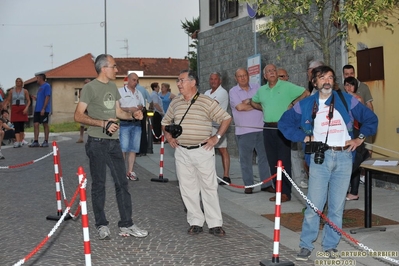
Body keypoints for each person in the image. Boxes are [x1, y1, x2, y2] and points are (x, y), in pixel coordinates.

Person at [278, 65, 378, 261]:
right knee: (314, 205)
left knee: (337, 206)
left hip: (343, 157)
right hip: (319, 159)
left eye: (330, 77)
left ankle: (331, 246)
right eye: (322, 77)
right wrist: (304, 137)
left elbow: (370, 119)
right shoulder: (306, 104)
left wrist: (359, 139)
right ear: (314, 82)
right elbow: (284, 123)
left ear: (334, 81)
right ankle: (306, 245)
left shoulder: (346, 99)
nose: (327, 81)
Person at [74, 54, 148, 240]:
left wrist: (133, 116)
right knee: (99, 185)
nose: (117, 70)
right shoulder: (89, 88)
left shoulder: (113, 87)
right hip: (96, 143)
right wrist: (102, 124)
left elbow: (118, 112)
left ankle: (127, 223)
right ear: (104, 68)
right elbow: (78, 116)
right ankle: (101, 225)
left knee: (122, 183)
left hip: (114, 143)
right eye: (114, 66)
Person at [161, 69, 231, 236]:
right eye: (178, 81)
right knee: (187, 188)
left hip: (203, 150)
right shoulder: (175, 102)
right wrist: (169, 137)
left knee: (209, 187)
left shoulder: (206, 101)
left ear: (193, 82)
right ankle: (195, 222)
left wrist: (217, 137)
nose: (178, 84)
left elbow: (226, 118)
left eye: (182, 80)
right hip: (182, 151)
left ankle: (215, 224)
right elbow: (165, 122)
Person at [251, 64, 309, 202]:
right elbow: (253, 102)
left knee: (283, 160)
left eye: (273, 70)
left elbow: (306, 93)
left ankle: (286, 193)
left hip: (283, 128)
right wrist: (263, 107)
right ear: (265, 76)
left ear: (276, 73)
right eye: (268, 71)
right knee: (272, 160)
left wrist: (294, 103)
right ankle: (277, 190)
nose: (271, 73)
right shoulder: (262, 90)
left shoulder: (286, 86)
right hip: (267, 128)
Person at [229, 68, 274, 194]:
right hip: (244, 132)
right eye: (239, 76)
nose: (242, 78)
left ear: (248, 76)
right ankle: (248, 185)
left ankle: (266, 185)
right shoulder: (233, 91)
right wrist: (254, 104)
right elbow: (240, 107)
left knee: (264, 158)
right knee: (246, 160)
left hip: (261, 129)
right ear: (236, 78)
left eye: (244, 75)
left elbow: (264, 104)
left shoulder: (258, 88)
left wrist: (249, 102)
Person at [277, 68, 308, 189]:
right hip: (279, 127)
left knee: (296, 153)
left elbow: (306, 93)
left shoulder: (291, 87)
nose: (284, 79)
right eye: (281, 76)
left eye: (285, 76)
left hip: (293, 126)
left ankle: (299, 179)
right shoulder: (273, 90)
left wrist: (294, 103)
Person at [343, 77, 369, 201]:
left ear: (355, 87)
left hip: (356, 131)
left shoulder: (358, 99)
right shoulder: (342, 99)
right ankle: (349, 190)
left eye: (351, 85)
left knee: (356, 161)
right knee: (350, 160)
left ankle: (354, 192)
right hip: (346, 132)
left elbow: (362, 116)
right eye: (346, 85)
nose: (348, 87)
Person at [204, 72, 231, 185]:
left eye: (215, 79)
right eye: (211, 79)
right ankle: (208, 175)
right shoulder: (206, 92)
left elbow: (211, 106)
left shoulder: (223, 92)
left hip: (219, 126)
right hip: (207, 125)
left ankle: (226, 176)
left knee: (222, 149)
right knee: (207, 150)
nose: (213, 81)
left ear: (220, 81)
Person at [118, 73, 145, 181]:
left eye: (137, 80)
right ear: (128, 80)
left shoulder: (138, 92)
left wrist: (139, 108)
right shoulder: (120, 92)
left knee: (133, 148)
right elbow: (118, 107)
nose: (135, 82)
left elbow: (142, 105)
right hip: (125, 122)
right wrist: (129, 109)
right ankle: (121, 171)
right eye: (134, 80)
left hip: (136, 123)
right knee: (123, 148)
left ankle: (130, 171)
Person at [2, 78, 31, 147]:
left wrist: (26, 108)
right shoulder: (12, 91)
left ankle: (21, 140)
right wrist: (5, 105)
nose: (18, 82)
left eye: (19, 81)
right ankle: (17, 141)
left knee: (21, 125)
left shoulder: (25, 91)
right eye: (16, 81)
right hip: (15, 107)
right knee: (16, 124)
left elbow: (29, 100)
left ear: (21, 82)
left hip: (22, 107)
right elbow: (8, 99)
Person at [29, 73, 51, 147]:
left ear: (41, 78)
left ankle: (46, 140)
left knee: (45, 124)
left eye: (37, 78)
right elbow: (41, 98)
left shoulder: (47, 86)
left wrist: (43, 108)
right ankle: (36, 141)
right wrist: (36, 98)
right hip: (37, 109)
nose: (36, 79)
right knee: (35, 124)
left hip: (43, 109)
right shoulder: (40, 87)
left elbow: (47, 97)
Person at [136, 81, 152, 155]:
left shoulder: (131, 89)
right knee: (143, 130)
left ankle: (136, 150)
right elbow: (150, 101)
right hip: (143, 110)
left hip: (134, 111)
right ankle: (143, 150)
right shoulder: (143, 89)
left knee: (135, 130)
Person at [77, 79, 91, 143]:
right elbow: (80, 98)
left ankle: (92, 138)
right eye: (85, 83)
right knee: (82, 124)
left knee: (92, 124)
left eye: (88, 83)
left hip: (91, 109)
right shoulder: (82, 90)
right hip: (84, 109)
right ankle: (81, 137)